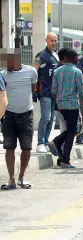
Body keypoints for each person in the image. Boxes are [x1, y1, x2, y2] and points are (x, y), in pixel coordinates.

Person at [48, 49, 83, 169]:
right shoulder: (77, 72)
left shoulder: (57, 71)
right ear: (74, 58)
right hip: (72, 105)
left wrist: (59, 101)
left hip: (61, 106)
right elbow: (82, 92)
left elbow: (53, 91)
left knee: (71, 130)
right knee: (74, 131)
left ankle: (59, 147)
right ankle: (64, 158)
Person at [1, 50, 37, 190]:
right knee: (9, 147)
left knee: (26, 147)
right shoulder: (3, 75)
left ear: (17, 60)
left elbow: (33, 88)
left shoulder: (31, 71)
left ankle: (22, 177)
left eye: (8, 61)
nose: (6, 65)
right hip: (9, 115)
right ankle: (11, 179)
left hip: (26, 115)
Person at [33, 32, 59, 153]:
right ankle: (40, 142)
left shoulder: (56, 55)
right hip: (44, 92)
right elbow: (33, 72)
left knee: (51, 119)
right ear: (46, 40)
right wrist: (33, 89)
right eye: (51, 40)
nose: (53, 43)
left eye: (55, 40)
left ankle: (46, 141)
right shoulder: (41, 55)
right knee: (46, 117)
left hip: (54, 93)